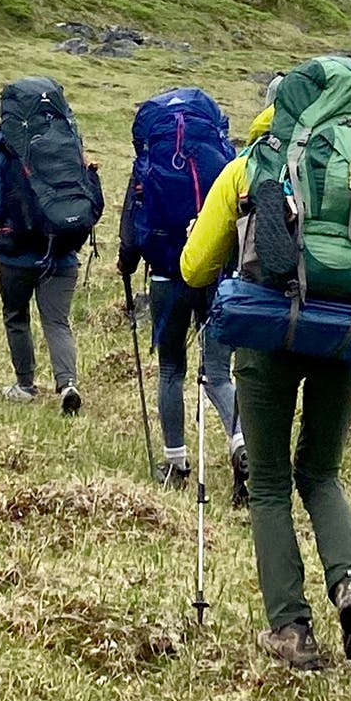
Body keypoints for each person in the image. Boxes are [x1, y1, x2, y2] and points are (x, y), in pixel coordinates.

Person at [179, 89, 351, 670]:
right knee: (321, 473)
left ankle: (291, 630)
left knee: (269, 483)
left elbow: (193, 267)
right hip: (344, 333)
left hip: (267, 336)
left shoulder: (247, 165)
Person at [118, 88, 247, 502]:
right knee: (219, 373)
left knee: (172, 369)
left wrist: (127, 262)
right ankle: (242, 442)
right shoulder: (224, 159)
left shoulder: (147, 163)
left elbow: (131, 222)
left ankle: (175, 461)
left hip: (166, 275)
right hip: (217, 274)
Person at [0, 85, 99, 413]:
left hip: (15, 253)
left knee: (16, 316)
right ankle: (67, 383)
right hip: (62, 248)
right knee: (57, 322)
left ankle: (26, 385)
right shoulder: (68, 144)